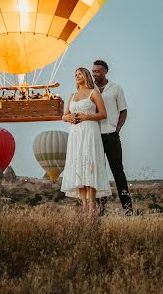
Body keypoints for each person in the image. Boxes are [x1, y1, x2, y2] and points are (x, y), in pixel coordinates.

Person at [61, 67, 111, 217]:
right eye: (75, 74)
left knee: (89, 164)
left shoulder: (93, 93)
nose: (77, 76)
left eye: (79, 74)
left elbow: (103, 114)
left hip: (89, 131)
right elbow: (63, 116)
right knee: (78, 165)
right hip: (75, 133)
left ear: (86, 76)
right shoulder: (72, 96)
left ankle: (92, 205)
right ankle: (84, 204)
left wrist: (86, 117)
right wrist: (67, 118)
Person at [92, 60, 133, 216]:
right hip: (94, 135)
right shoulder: (90, 89)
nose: (95, 73)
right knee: (98, 172)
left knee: (118, 172)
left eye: (98, 71)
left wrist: (118, 128)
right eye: (93, 71)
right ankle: (100, 208)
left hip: (111, 135)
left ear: (105, 71)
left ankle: (128, 208)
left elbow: (123, 111)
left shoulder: (116, 88)